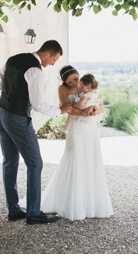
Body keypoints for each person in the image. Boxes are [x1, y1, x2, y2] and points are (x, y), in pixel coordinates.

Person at [0, 40, 73, 225]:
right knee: (35, 163)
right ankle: (33, 213)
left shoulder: (13, 60)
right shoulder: (36, 71)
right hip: (17, 118)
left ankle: (14, 210)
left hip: (0, 114)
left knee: (10, 162)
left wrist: (12, 95)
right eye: (54, 59)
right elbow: (37, 104)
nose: (53, 64)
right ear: (46, 54)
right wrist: (59, 111)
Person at [31, 66, 112, 221]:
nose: (74, 84)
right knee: (74, 159)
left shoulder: (87, 85)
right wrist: (84, 111)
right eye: (70, 82)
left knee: (91, 160)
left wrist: (93, 109)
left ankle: (91, 204)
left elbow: (101, 107)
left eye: (75, 79)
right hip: (76, 129)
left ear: (78, 75)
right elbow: (67, 108)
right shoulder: (62, 89)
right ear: (64, 82)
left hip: (90, 129)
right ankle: (72, 203)